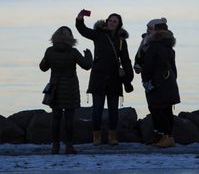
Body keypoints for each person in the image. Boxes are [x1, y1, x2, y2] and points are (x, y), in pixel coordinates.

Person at [75, 9, 134, 146]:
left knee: (114, 110)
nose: (112, 23)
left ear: (119, 24)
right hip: (98, 77)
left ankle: (112, 137)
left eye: (115, 21)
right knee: (97, 109)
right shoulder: (98, 34)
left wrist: (128, 77)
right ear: (106, 22)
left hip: (114, 78)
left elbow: (125, 60)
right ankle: (96, 137)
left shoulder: (121, 41)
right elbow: (83, 30)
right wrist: (79, 18)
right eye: (110, 20)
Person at [39, 26, 92, 155]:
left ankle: (55, 147)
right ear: (70, 38)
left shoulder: (49, 51)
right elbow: (86, 65)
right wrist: (88, 55)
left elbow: (43, 67)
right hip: (70, 88)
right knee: (69, 119)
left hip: (55, 88)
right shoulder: (73, 52)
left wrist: (47, 59)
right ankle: (69, 146)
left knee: (56, 118)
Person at [140, 18, 180, 148]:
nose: (148, 32)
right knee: (166, 111)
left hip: (156, 83)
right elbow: (174, 69)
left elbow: (148, 66)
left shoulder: (154, 46)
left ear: (156, 32)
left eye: (150, 29)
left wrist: (146, 81)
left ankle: (165, 137)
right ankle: (164, 137)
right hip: (169, 83)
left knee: (158, 111)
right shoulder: (168, 47)